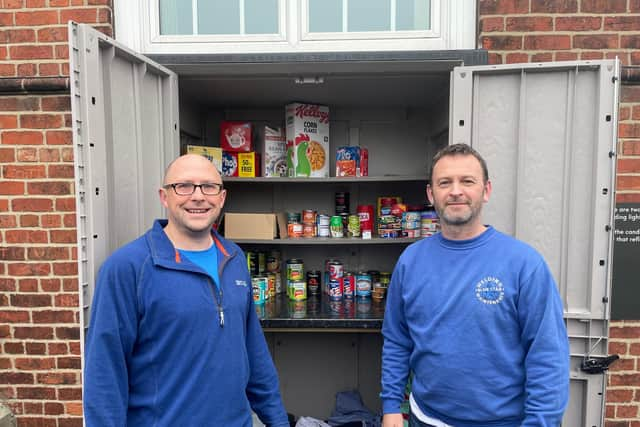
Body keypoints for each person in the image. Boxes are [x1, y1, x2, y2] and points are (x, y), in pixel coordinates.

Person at [83, 154, 290, 427]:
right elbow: (104, 374)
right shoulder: (127, 268)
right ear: (164, 196)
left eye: (208, 186)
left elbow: (254, 352)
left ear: (222, 197)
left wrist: (278, 421)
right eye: (184, 186)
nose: (198, 196)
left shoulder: (234, 258)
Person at [380, 144, 569, 427]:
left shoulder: (524, 264)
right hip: (426, 419)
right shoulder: (411, 261)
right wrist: (391, 406)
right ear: (431, 194)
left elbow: (547, 355)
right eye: (445, 182)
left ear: (486, 190)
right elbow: (397, 339)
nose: (456, 191)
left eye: (467, 181)